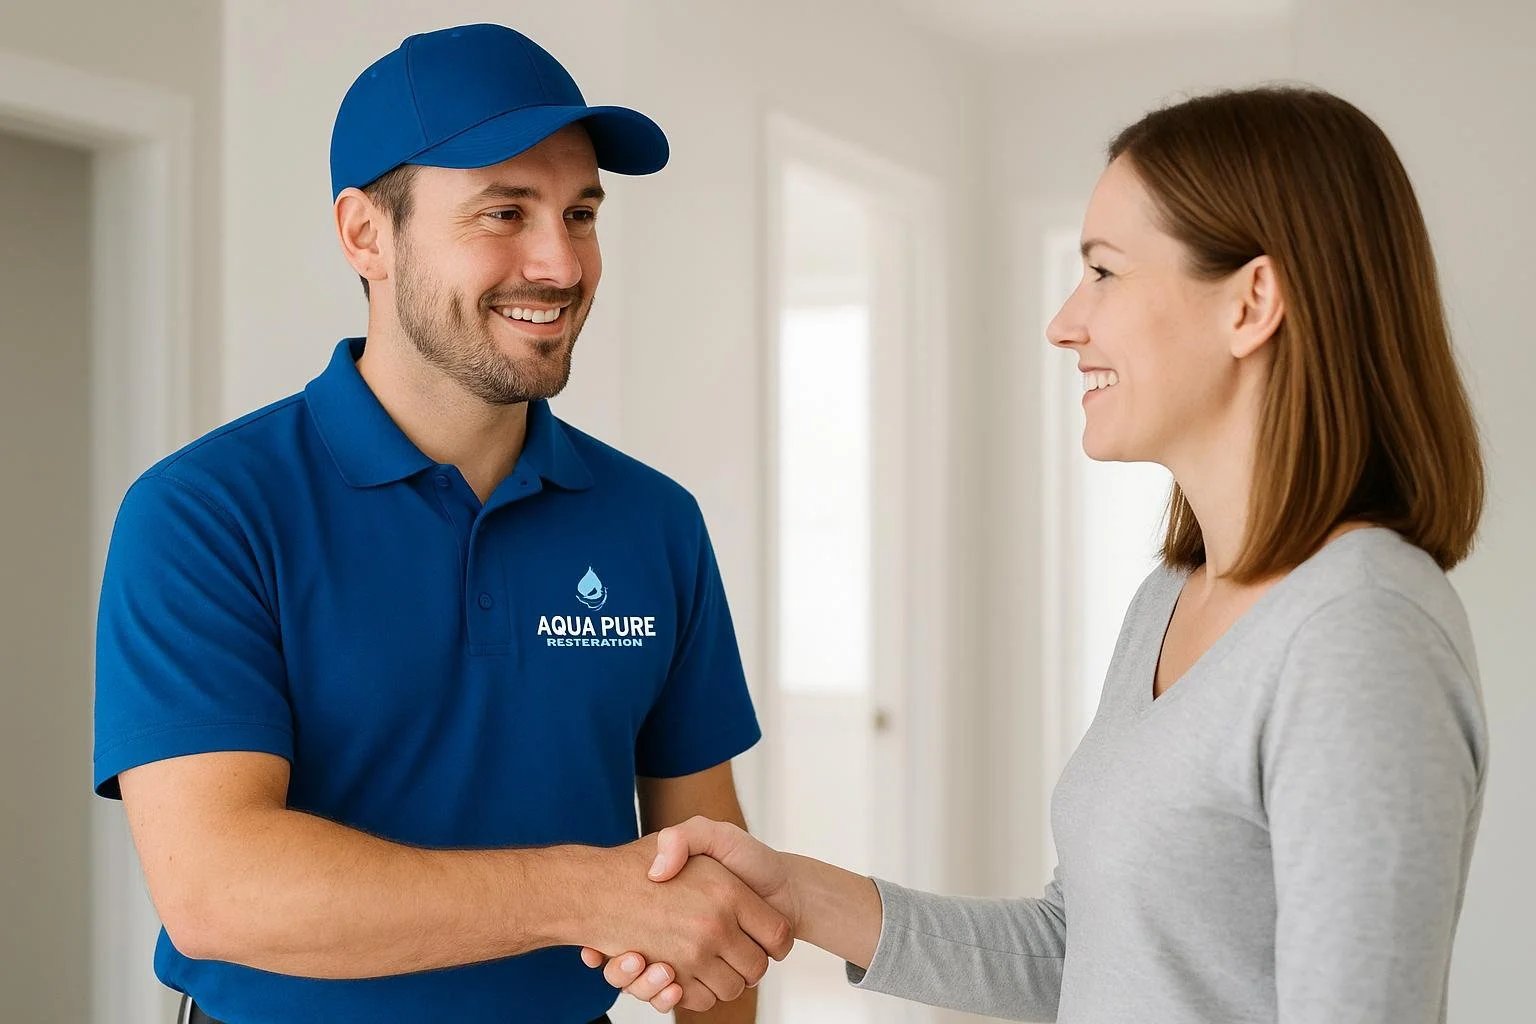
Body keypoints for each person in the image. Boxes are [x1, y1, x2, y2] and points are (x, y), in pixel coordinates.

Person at [587, 86, 1489, 1023]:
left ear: (1252, 302)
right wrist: (798, 894)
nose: (1065, 321)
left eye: (1104, 271)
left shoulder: (1360, 633)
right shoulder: (1172, 599)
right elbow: (1083, 951)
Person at [93, 23, 788, 1024]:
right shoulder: (205, 513)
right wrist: (585, 890)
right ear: (365, 234)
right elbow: (217, 891)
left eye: (581, 211)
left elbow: (714, 899)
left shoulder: (655, 524)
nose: (559, 262)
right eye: (504, 211)